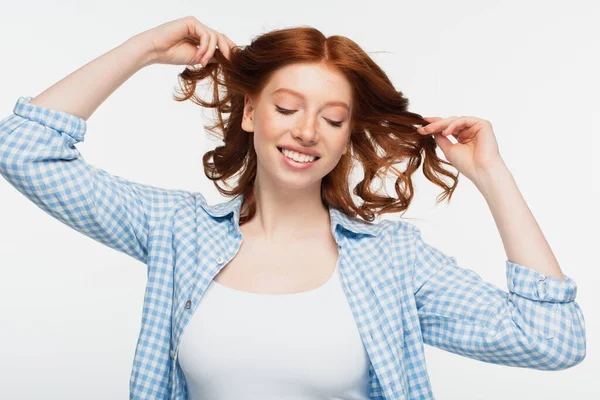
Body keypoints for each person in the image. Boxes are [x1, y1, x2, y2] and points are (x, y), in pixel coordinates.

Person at [0, 16, 586, 400]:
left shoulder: (394, 262)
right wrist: (145, 47)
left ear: (346, 136)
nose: (307, 131)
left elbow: (552, 341)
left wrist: (493, 176)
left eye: (332, 119)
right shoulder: (177, 231)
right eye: (287, 108)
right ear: (251, 113)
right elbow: (24, 150)